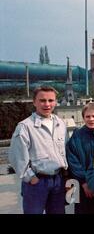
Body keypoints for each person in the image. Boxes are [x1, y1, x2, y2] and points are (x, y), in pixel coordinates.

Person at [8, 86, 68, 214]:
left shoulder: (60, 123)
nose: (47, 104)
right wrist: (30, 177)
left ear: (56, 102)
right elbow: (16, 157)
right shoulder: (25, 127)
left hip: (58, 180)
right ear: (34, 102)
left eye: (51, 100)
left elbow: (65, 150)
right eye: (42, 100)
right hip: (36, 182)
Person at [66, 102, 94, 214]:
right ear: (83, 118)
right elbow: (73, 161)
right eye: (87, 116)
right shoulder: (77, 136)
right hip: (83, 187)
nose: (91, 119)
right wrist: (84, 182)